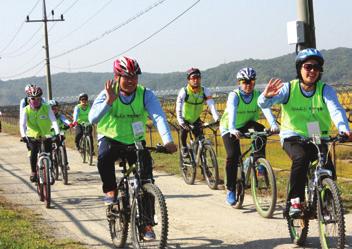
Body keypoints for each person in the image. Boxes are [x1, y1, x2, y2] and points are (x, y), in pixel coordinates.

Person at [89, 56, 177, 240]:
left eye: (134, 77)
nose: (131, 81)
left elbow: (158, 116)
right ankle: (110, 192)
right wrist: (109, 102)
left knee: (146, 178)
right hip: (111, 138)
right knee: (104, 157)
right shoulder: (107, 93)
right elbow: (93, 119)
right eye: (126, 77)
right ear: (117, 77)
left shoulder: (145, 94)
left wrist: (168, 141)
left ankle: (146, 224)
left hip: (135, 141)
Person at [258, 48, 352, 217]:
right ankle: (295, 201)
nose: (312, 71)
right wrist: (265, 96)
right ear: (299, 68)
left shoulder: (325, 90)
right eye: (308, 66)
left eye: (316, 67)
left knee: (327, 165)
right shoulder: (288, 88)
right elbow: (263, 104)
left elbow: (336, 110)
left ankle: (326, 201)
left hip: (315, 130)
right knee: (301, 158)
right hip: (291, 133)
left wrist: (343, 128)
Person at [219, 67, 279, 206]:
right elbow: (232, 111)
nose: (248, 84)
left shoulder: (258, 95)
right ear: (239, 82)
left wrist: (273, 124)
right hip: (229, 127)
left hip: (246, 124)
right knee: (233, 155)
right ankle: (231, 189)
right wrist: (233, 128)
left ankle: (259, 163)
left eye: (251, 81)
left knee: (262, 131)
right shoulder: (234, 95)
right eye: (244, 82)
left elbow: (265, 108)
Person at [176, 67, 219, 157]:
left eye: (198, 78)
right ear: (189, 80)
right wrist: (181, 121)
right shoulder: (184, 91)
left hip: (196, 119)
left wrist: (216, 118)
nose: (196, 80)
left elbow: (211, 104)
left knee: (201, 140)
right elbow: (178, 107)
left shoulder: (205, 91)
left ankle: (203, 164)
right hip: (185, 118)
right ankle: (184, 147)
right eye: (193, 78)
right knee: (184, 132)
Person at [19, 85, 60, 182]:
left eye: (38, 98)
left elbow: (53, 120)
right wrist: (24, 136)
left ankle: (50, 171)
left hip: (46, 134)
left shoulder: (47, 107)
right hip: (32, 135)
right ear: (29, 99)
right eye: (33, 98)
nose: (35, 100)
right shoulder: (26, 110)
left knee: (49, 153)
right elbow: (22, 124)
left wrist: (57, 133)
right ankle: (33, 172)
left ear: (41, 98)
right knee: (33, 152)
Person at [48, 99, 72, 170]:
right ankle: (50, 165)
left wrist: (70, 124)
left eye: (56, 108)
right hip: (49, 135)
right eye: (52, 108)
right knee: (48, 149)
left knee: (62, 146)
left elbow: (65, 120)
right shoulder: (47, 117)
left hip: (59, 134)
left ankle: (65, 163)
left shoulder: (60, 116)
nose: (55, 110)